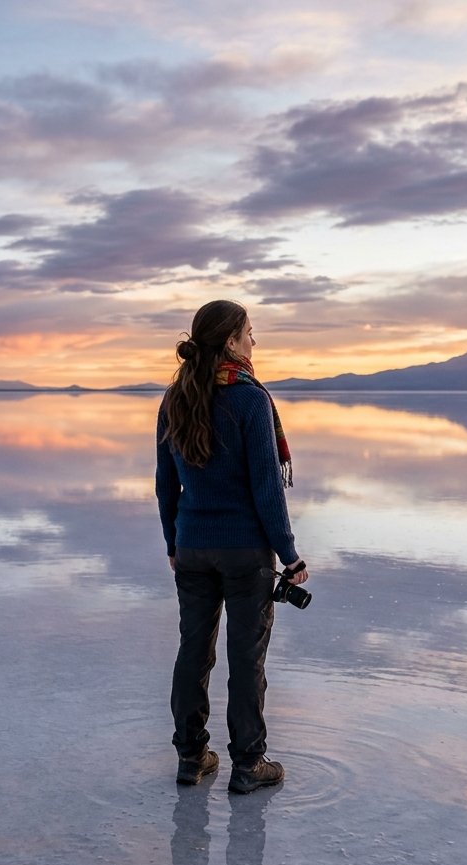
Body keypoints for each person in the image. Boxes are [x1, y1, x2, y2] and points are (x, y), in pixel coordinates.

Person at [155, 300, 308, 794]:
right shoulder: (249, 399)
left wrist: (173, 542)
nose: (253, 343)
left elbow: (165, 485)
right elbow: (266, 486)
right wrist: (290, 554)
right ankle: (248, 764)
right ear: (230, 342)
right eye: (248, 334)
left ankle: (191, 756)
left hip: (193, 548)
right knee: (246, 659)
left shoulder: (173, 399)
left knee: (192, 652)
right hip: (246, 554)